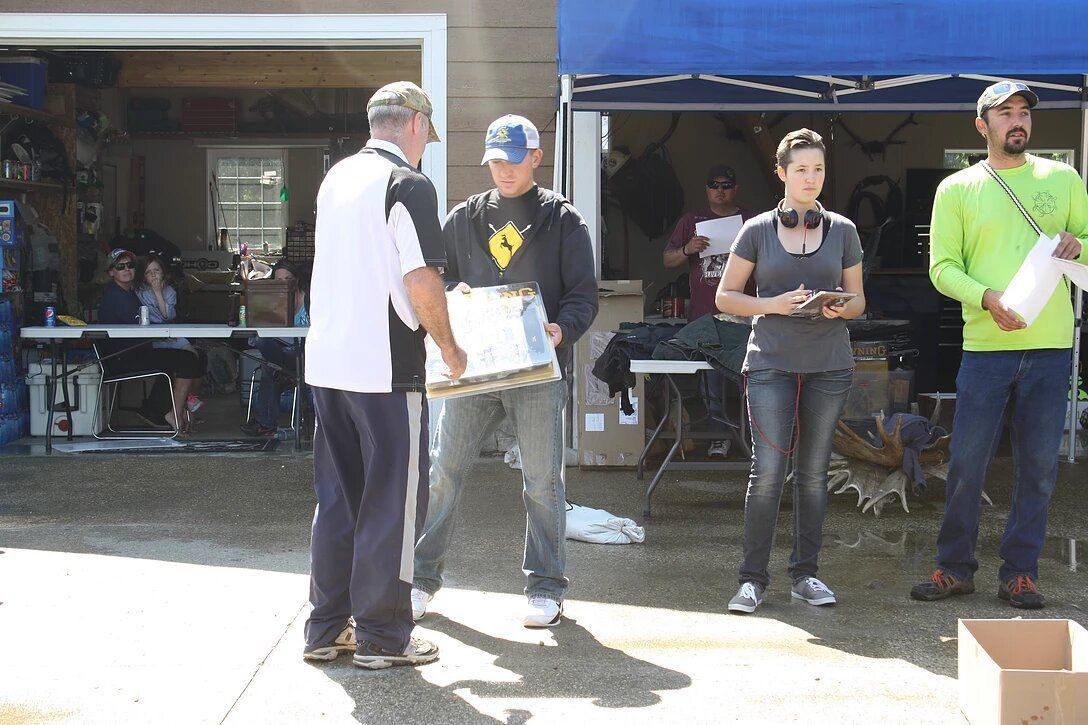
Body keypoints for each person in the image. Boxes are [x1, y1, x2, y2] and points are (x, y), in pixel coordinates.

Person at [302, 81, 466, 669]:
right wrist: (449, 344)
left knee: (338, 499)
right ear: (416, 125)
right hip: (385, 368)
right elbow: (421, 279)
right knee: (392, 507)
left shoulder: (337, 178)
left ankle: (326, 628)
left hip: (327, 363)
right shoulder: (409, 184)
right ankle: (382, 636)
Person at [411, 114, 598, 628]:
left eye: (513, 160)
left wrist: (563, 329)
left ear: (536, 159)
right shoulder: (466, 217)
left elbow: (584, 294)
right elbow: (436, 279)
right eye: (495, 161)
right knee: (443, 471)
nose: (504, 171)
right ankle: (420, 579)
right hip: (470, 369)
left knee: (542, 480)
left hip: (537, 371)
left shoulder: (563, 220)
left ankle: (546, 587)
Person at [910, 81, 1088, 609]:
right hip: (986, 347)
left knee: (1038, 465)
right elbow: (942, 269)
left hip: (1051, 345)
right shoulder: (957, 189)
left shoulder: (1064, 178)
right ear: (981, 125)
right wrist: (986, 298)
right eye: (1004, 113)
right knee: (967, 462)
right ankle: (954, 567)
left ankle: (1021, 572)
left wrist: (1081, 244)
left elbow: (1087, 245)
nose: (1018, 121)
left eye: (1024, 113)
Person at [715, 129, 866, 614]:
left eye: (818, 169)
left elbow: (859, 300)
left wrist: (840, 309)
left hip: (829, 365)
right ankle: (752, 580)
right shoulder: (757, 229)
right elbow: (725, 296)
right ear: (781, 174)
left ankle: (806, 574)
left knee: (814, 475)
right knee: (768, 473)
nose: (810, 178)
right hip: (771, 364)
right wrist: (773, 304)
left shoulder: (842, 229)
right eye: (800, 169)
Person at [663, 165, 752, 457]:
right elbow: (668, 260)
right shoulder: (692, 221)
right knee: (709, 379)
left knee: (747, 378)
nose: (720, 190)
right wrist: (688, 249)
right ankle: (718, 436)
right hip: (704, 316)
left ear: (735, 189)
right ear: (706, 189)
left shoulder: (750, 222)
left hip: (743, 315)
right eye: (714, 185)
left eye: (726, 185)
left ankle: (750, 440)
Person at [98, 248, 205, 433]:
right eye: (120, 266)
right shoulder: (116, 296)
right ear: (111, 272)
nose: (126, 269)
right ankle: (174, 414)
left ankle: (159, 409)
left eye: (130, 265)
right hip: (123, 357)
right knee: (188, 360)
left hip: (138, 351)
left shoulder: (132, 292)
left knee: (197, 356)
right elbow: (144, 329)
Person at [241, 259, 310, 437]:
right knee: (264, 347)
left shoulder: (309, 298)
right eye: (278, 280)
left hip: (307, 354)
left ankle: (266, 423)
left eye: (287, 279)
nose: (283, 284)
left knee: (268, 366)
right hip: (282, 352)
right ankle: (282, 372)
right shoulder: (271, 301)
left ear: (296, 280)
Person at [135, 254, 204, 415]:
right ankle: (187, 401)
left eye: (156, 270)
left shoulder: (170, 291)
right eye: (148, 272)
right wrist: (155, 291)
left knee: (195, 354)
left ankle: (189, 397)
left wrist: (159, 292)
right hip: (154, 338)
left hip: (171, 334)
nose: (153, 274)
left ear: (163, 273)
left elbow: (168, 315)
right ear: (143, 277)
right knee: (186, 360)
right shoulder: (140, 292)